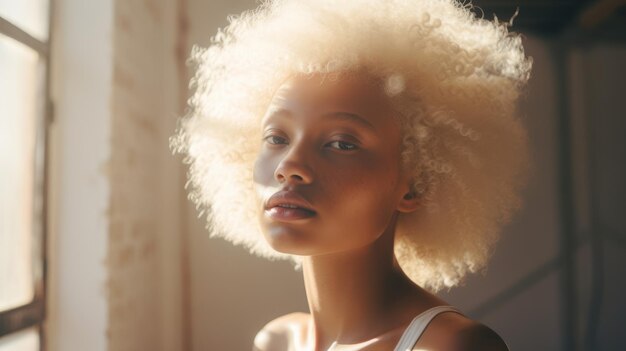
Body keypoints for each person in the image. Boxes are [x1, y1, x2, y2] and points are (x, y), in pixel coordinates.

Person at [171, 0, 533, 350]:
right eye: (276, 138)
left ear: (414, 184)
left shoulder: (453, 346)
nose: (289, 167)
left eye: (341, 143)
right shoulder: (277, 342)